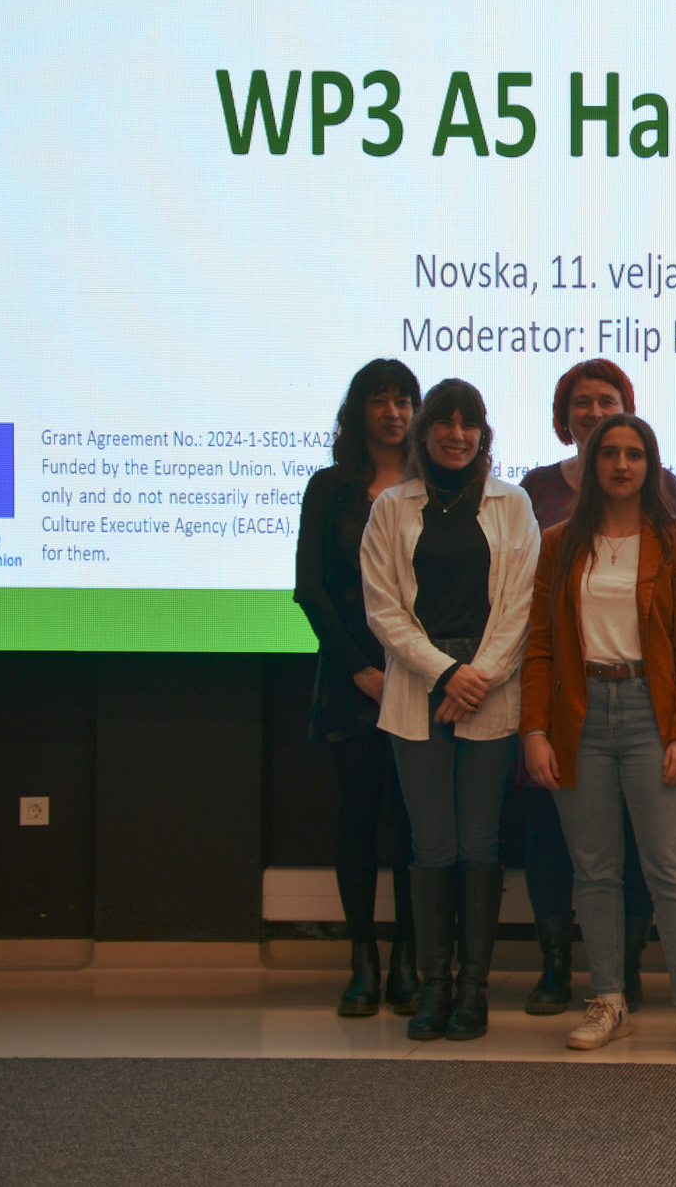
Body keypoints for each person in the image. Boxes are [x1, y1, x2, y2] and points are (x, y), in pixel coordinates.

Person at [520, 413, 676, 1060]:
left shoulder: (675, 540)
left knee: (670, 869)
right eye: (609, 453)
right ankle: (608, 999)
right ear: (591, 462)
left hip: (651, 712)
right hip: (578, 714)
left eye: (634, 454)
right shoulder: (559, 543)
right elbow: (540, 645)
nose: (620, 464)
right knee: (595, 870)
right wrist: (534, 730)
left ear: (650, 465)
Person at [360, 378, 540, 1042]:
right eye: (445, 422)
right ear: (425, 431)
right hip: (419, 688)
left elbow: (521, 603)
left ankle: (473, 990)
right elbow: (382, 609)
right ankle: (433, 988)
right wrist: (444, 674)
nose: (457, 435)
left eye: (469, 424)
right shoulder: (391, 507)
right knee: (430, 844)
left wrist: (478, 677)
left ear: (483, 434)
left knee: (479, 842)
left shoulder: (512, 504)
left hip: (488, 687)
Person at [293, 357, 424, 1019]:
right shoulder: (330, 489)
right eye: (380, 400)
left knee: (412, 825)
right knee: (358, 820)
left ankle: (407, 959)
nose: (393, 412)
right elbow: (311, 590)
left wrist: (412, 668)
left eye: (404, 400)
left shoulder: (433, 487)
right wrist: (361, 672)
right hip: (352, 679)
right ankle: (362, 959)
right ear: (359, 411)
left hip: (421, 675)